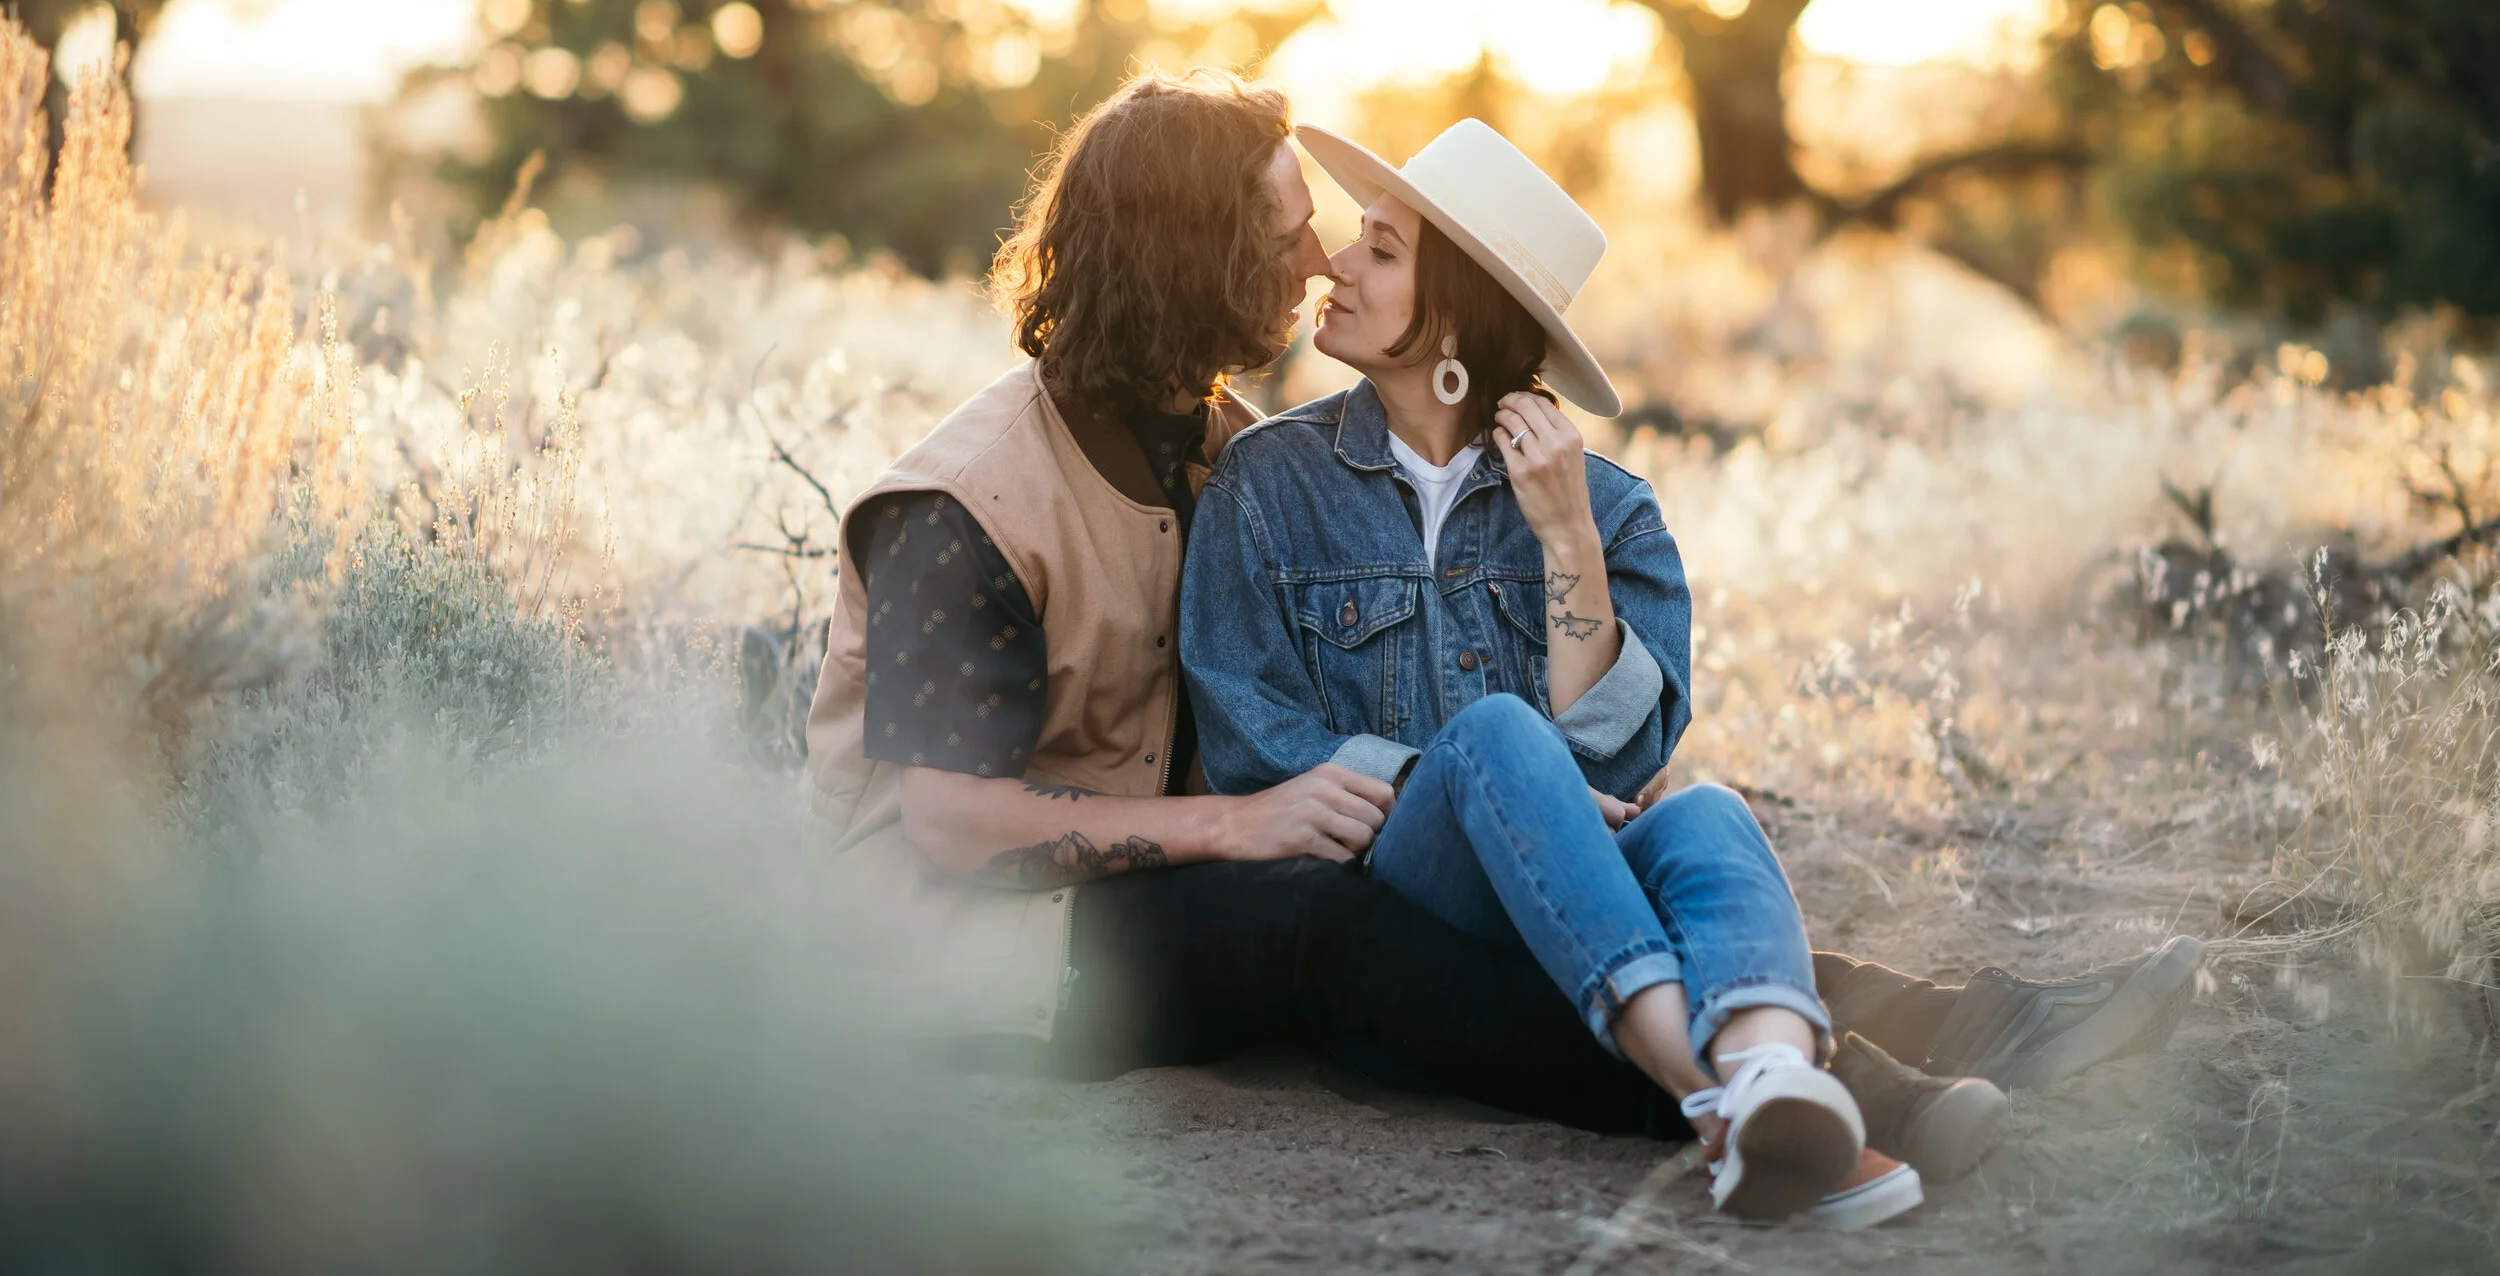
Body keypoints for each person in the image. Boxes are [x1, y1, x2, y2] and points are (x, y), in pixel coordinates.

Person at [800, 71, 2205, 1211]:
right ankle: (1804, 1094)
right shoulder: (966, 503)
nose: (1316, 254)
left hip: (1190, 882)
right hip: (1005, 955)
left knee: (1631, 839)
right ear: (1188, 254)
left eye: (1337, 230)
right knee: (1347, 916)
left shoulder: (1206, 440)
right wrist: (1246, 825)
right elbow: (943, 825)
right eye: (1287, 228)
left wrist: (1508, 755)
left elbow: (1593, 741)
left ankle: (1933, 1024)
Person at [1184, 117, 1886, 1223]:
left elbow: (1624, 758)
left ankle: (1772, 1089)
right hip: (1392, 901)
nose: (1332, 266)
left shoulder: (1609, 507)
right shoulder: (1266, 482)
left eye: (1377, 249)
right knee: (1498, 737)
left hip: (1562, 884)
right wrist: (1463, 776)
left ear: (1455, 308)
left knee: (1707, 814)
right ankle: (1705, 1098)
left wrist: (1565, 539)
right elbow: (1247, 734)